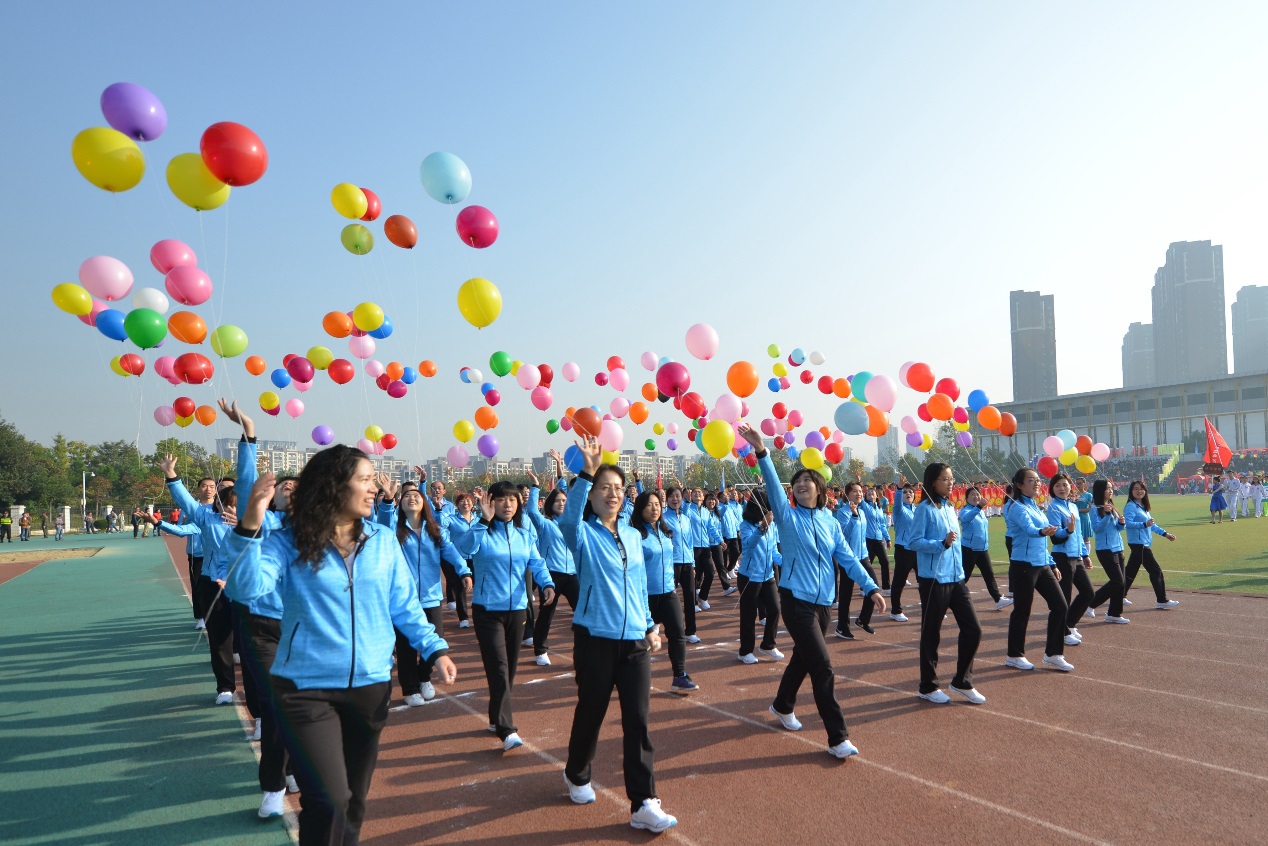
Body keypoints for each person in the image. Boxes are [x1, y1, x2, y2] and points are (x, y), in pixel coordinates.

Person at [226, 446, 456, 845]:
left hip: (370, 686)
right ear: (333, 485)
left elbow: (403, 604)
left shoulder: (383, 540)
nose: (374, 489)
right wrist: (249, 525)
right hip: (305, 688)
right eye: (364, 480)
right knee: (328, 799)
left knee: (353, 801)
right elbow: (245, 589)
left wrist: (435, 648)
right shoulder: (289, 540)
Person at [738, 423, 885, 759]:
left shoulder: (830, 522)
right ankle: (837, 737)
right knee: (822, 666)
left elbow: (848, 559)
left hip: (823, 605)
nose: (801, 484)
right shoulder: (787, 517)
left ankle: (782, 704)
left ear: (820, 489)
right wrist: (761, 451)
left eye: (807, 480)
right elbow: (773, 486)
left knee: (803, 659)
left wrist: (871, 587)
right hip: (795, 600)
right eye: (797, 482)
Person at [558, 436, 678, 834]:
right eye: (604, 488)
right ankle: (577, 773)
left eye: (618, 488)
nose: (612, 494)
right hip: (595, 639)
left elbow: (639, 586)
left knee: (638, 721)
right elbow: (567, 521)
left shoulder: (632, 535)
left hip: (635, 643)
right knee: (591, 712)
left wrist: (648, 625)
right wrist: (586, 472)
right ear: (592, 495)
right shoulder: (582, 534)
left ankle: (643, 801)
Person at [453, 480, 554, 750]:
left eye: (512, 500)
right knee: (498, 667)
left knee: (509, 669)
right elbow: (465, 550)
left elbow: (536, 562)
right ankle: (507, 729)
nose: (507, 505)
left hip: (518, 609)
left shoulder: (524, 533)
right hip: (488, 610)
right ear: (491, 502)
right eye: (501, 500)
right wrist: (483, 522)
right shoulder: (481, 531)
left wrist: (546, 583)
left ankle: (495, 716)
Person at [377, 477, 470, 706]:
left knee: (436, 638)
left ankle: (424, 677)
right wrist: (388, 500)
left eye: (416, 496)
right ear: (400, 504)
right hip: (402, 599)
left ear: (424, 503)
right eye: (407, 496)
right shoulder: (394, 531)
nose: (412, 498)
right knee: (406, 646)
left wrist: (464, 571)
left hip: (431, 596)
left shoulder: (434, 530)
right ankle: (410, 689)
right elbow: (383, 523)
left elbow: (451, 552)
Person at [909, 463, 985, 704]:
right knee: (931, 633)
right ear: (933, 482)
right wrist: (940, 543)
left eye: (951, 478)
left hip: (956, 577)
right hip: (934, 579)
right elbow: (914, 542)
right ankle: (928, 686)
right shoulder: (924, 509)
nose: (950, 483)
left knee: (973, 629)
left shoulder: (951, 508)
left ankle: (962, 681)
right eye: (945, 479)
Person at [1003, 468, 1073, 672]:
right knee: (1022, 610)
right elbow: (1030, 530)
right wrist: (1043, 531)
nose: (1036, 483)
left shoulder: (1035, 505)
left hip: (1042, 564)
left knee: (1060, 606)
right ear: (1019, 485)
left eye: (1037, 480)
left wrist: (1052, 562)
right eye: (1030, 480)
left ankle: (1053, 654)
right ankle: (1014, 655)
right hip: (1023, 565)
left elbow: (1045, 538)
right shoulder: (1016, 507)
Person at [629, 489, 698, 693]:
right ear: (640, 509)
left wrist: (672, 584)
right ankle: (629, 674)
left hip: (668, 592)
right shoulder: (634, 535)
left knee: (677, 633)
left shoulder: (665, 531)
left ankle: (679, 675)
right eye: (649, 505)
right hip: (644, 595)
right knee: (639, 639)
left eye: (657, 504)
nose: (655, 508)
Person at [525, 453, 580, 667]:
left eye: (564, 501)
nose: (562, 503)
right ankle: (540, 650)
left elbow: (565, 489)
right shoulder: (545, 524)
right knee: (547, 614)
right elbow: (531, 510)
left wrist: (559, 465)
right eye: (557, 501)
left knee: (583, 609)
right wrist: (535, 486)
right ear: (550, 504)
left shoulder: (573, 523)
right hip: (552, 575)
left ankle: (587, 647)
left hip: (572, 574)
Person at [735, 489, 783, 664]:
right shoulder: (746, 525)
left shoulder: (772, 525)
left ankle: (768, 645)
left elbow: (774, 551)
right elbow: (748, 545)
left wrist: (786, 562)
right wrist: (762, 527)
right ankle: (745, 651)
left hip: (767, 575)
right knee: (749, 615)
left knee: (775, 609)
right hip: (749, 577)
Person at [1047, 474, 1094, 647]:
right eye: (1057, 485)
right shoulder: (1053, 508)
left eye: (1065, 485)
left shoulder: (1073, 506)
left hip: (1076, 556)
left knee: (1088, 593)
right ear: (1052, 489)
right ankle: (1064, 633)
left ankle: (1069, 624)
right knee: (1064, 598)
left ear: (1070, 487)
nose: (1062, 488)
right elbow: (1055, 535)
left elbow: (1079, 534)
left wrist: (1085, 555)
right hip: (1062, 557)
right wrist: (1068, 530)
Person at [1122, 481, 1180, 610]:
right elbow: (1127, 524)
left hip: (1143, 542)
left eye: (1141, 489)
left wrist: (1165, 534)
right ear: (1131, 491)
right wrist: (1144, 524)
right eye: (1136, 489)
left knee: (1131, 571)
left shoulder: (1142, 506)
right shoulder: (1131, 506)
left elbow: (1152, 525)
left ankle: (1120, 595)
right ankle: (1162, 600)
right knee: (1155, 571)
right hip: (1139, 544)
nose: (1139, 491)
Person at [833, 482, 880, 638]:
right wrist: (853, 516)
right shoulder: (842, 512)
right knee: (846, 594)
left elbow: (863, 534)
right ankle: (842, 627)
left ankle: (863, 620)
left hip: (863, 556)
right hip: (848, 558)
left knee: (873, 586)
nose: (859, 493)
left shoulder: (862, 511)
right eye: (854, 491)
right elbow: (844, 535)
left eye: (860, 491)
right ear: (847, 494)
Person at [958, 487, 1011, 610]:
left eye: (978, 494)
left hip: (982, 549)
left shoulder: (980, 511)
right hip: (969, 549)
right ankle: (948, 597)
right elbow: (966, 519)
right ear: (967, 498)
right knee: (964, 576)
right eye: (972, 495)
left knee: (989, 575)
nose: (976, 497)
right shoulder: (966, 511)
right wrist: (978, 507)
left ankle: (998, 599)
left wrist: (979, 508)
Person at [660, 487, 700, 644]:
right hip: (672, 563)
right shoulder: (663, 518)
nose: (674, 499)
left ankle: (690, 631)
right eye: (671, 496)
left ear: (682, 498)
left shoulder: (686, 518)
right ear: (667, 499)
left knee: (690, 597)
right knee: (668, 598)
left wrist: (693, 563)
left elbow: (690, 542)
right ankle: (666, 628)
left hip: (687, 563)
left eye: (677, 496)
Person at [1087, 480, 1130, 623]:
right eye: (1107, 488)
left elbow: (1117, 528)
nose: (1110, 491)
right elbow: (1097, 529)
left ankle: (1114, 614)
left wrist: (1121, 523)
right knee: (1117, 581)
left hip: (1118, 547)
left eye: (1111, 488)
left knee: (1121, 582)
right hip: (1105, 550)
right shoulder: (1095, 509)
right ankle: (1091, 603)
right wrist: (1106, 515)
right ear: (1100, 491)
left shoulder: (1111, 506)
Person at [888, 484, 917, 621]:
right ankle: (896, 611)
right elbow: (898, 503)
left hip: (918, 549)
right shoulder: (899, 510)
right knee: (899, 582)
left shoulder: (917, 510)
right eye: (905, 492)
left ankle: (930, 608)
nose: (908, 494)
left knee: (925, 580)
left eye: (910, 492)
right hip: (903, 549)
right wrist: (899, 489)